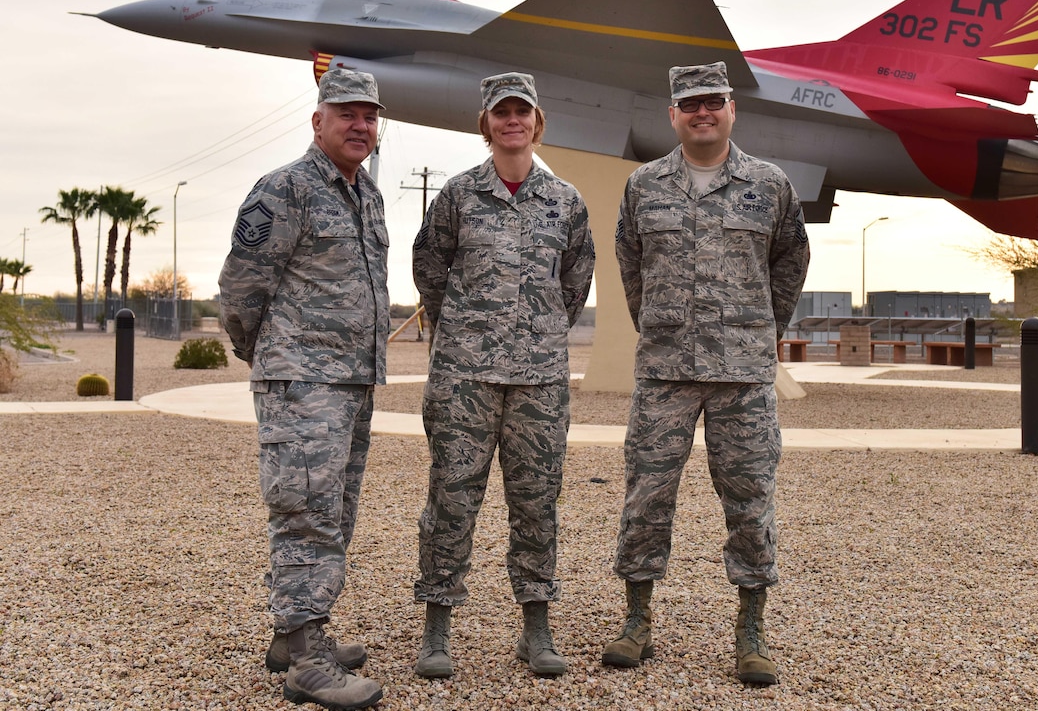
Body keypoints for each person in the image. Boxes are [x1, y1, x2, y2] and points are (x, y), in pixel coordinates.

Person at [603, 61, 810, 685]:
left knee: (750, 502)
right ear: (673, 115)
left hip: (743, 376)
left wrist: (757, 331)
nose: (702, 113)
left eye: (713, 102)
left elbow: (790, 262)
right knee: (646, 497)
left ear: (731, 109)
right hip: (665, 372)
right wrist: (661, 326)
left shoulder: (769, 185)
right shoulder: (645, 185)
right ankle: (637, 618)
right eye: (689, 104)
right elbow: (629, 263)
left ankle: (751, 629)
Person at [411, 71, 595, 679]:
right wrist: (466, 330)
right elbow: (430, 268)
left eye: (522, 111)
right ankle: (437, 628)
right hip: (464, 377)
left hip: (539, 381)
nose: (511, 121)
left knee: (538, 502)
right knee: (452, 499)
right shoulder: (459, 196)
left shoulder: (564, 200)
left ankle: (535, 628)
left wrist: (535, 331)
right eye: (500, 112)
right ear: (485, 124)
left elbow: (575, 279)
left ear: (538, 122)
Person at [219, 68, 390, 710]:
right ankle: (307, 662)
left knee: (332, 513)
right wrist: (270, 356)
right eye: (346, 113)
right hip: (302, 381)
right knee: (304, 511)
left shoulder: (365, 195)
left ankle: (295, 635)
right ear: (317, 120)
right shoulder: (284, 189)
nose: (360, 126)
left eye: (369, 116)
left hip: (350, 381)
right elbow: (241, 290)